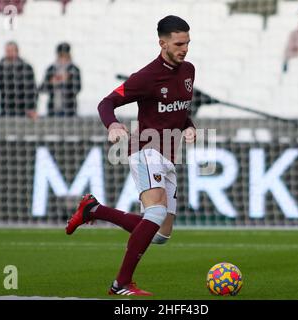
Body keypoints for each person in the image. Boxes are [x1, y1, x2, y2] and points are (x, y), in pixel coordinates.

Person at [65, 15, 196, 296]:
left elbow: (180, 108)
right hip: (146, 149)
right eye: (179, 43)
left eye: (187, 42)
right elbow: (107, 102)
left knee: (160, 234)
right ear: (162, 42)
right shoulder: (146, 77)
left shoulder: (188, 71)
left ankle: (93, 210)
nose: (184, 48)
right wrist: (111, 123)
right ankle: (121, 283)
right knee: (156, 211)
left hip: (169, 153)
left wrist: (189, 126)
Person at [0, 41, 37, 119]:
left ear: (17, 52)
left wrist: (32, 108)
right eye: (7, 51)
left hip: (23, 110)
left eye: (11, 51)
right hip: (4, 108)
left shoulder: (26, 68)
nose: (9, 53)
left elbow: (32, 89)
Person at [39, 42, 82, 117]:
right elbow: (42, 88)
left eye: (65, 55)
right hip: (53, 110)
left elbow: (77, 89)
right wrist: (51, 82)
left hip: (70, 110)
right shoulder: (51, 69)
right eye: (61, 55)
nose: (63, 58)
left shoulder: (74, 70)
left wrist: (67, 81)